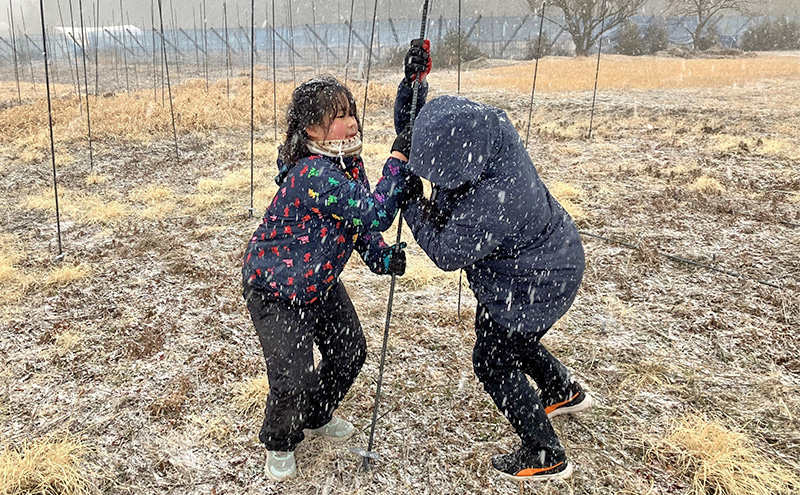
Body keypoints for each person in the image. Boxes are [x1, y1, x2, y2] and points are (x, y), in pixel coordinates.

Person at [241, 54, 428, 481]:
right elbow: (373, 212)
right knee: (293, 374)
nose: (352, 123)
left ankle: (317, 415)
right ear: (311, 130)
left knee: (349, 352)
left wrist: (382, 257)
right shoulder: (312, 173)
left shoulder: (348, 164)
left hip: (318, 281)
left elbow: (359, 225)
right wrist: (397, 162)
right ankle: (280, 440)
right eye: (339, 117)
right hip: (276, 289)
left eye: (352, 114)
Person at [397, 92, 592, 481]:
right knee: (510, 336)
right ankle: (561, 390)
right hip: (543, 263)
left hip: (535, 279)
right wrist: (412, 84)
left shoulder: (495, 198)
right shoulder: (485, 128)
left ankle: (545, 454)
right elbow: (419, 127)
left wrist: (412, 204)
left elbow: (447, 253)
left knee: (493, 359)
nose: (432, 179)